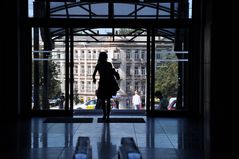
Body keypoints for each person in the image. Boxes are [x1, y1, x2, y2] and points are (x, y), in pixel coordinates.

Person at [93, 52, 120, 121]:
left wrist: (94, 79)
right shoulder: (108, 64)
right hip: (108, 84)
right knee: (108, 100)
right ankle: (107, 115)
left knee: (102, 100)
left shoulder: (98, 65)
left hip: (102, 84)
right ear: (105, 57)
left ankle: (104, 114)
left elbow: (94, 74)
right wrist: (116, 75)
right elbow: (111, 72)